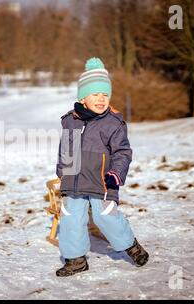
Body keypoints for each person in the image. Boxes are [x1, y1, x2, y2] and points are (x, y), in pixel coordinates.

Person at [55, 57, 149, 277]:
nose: (101, 99)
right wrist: (62, 172)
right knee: (70, 218)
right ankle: (76, 259)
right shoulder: (70, 121)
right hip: (74, 179)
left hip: (102, 180)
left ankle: (130, 245)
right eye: (95, 94)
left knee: (105, 216)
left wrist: (116, 174)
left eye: (105, 94)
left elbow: (123, 152)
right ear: (83, 97)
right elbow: (65, 149)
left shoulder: (112, 123)